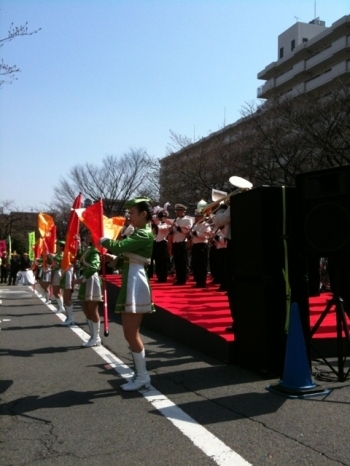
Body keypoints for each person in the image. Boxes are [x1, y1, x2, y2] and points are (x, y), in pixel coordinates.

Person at [100, 197, 154, 391]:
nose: (129, 216)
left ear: (143, 214)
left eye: (132, 213)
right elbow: (125, 255)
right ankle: (140, 374)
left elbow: (121, 247)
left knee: (131, 333)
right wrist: (113, 258)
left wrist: (104, 239)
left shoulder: (143, 233)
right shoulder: (139, 232)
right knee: (129, 333)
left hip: (135, 281)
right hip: (130, 278)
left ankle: (142, 376)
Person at [73, 232, 103, 346]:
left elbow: (95, 266)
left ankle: (96, 337)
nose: (86, 236)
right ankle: (92, 336)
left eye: (89, 234)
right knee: (85, 308)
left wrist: (82, 278)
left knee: (92, 309)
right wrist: (78, 243)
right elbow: (79, 256)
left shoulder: (94, 251)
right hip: (86, 278)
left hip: (91, 279)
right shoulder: (88, 249)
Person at [170, 204, 193, 285]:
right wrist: (171, 230)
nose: (177, 212)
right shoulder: (176, 220)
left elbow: (186, 232)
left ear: (183, 211)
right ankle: (178, 278)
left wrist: (177, 226)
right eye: (177, 211)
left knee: (183, 262)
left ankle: (183, 279)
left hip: (182, 242)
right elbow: (173, 231)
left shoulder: (188, 220)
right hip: (175, 242)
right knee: (177, 262)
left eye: (179, 211)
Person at [190, 210, 211, 288]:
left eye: (199, 216)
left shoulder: (206, 225)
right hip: (195, 245)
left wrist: (196, 233)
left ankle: (202, 282)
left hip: (202, 245)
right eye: (196, 216)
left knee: (202, 264)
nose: (197, 218)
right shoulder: (195, 225)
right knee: (196, 264)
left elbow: (206, 235)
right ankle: (198, 281)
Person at [152, 211, 172, 283]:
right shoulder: (159, 224)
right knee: (158, 261)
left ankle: (163, 277)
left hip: (163, 243)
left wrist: (155, 224)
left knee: (163, 262)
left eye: (162, 217)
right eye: (160, 217)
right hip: (157, 243)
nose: (161, 219)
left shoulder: (167, 225)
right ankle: (159, 276)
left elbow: (160, 228)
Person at [50, 241, 65, 312]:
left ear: (61, 247)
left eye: (58, 245)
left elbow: (60, 260)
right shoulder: (58, 254)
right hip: (56, 272)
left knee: (56, 292)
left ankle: (61, 307)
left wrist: (53, 256)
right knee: (56, 292)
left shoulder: (62, 254)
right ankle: (61, 307)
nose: (56, 246)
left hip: (59, 273)